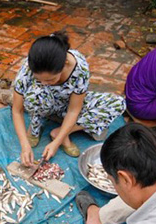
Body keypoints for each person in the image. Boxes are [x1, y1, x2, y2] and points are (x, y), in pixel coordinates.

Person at [12, 31, 126, 165]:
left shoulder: (80, 68)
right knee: (34, 95)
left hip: (66, 104)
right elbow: (17, 110)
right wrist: (24, 145)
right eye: (39, 80)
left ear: (65, 63)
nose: (44, 83)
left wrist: (57, 142)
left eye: (50, 79)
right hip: (42, 102)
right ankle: (35, 125)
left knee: (117, 103)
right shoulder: (27, 68)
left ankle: (61, 132)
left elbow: (73, 110)